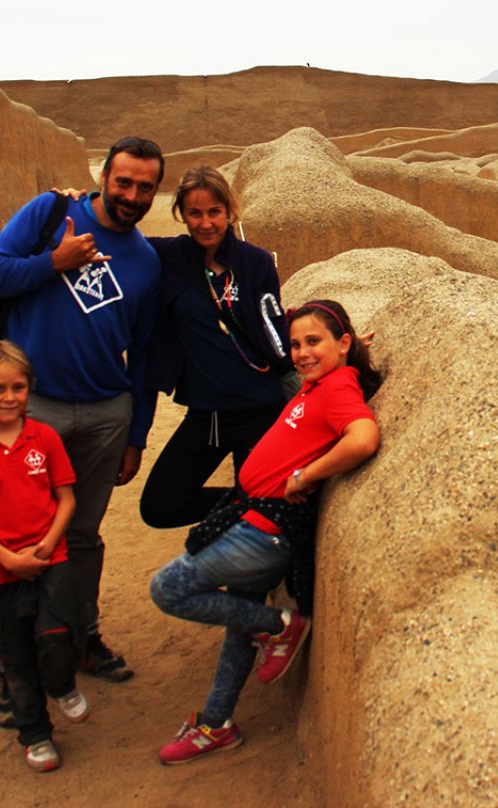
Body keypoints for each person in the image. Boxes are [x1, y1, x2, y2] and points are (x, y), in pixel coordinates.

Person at [148, 300, 382, 765]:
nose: (301, 353)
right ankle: (217, 723)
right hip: (254, 519)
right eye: (295, 344)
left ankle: (280, 627)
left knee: (168, 588)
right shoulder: (320, 382)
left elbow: (363, 438)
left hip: (264, 532)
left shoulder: (336, 389)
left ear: (342, 343)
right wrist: (345, 351)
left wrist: (306, 475)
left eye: (313, 341)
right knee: (240, 622)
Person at [0, 136, 165, 686]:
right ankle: (19, 666)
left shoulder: (146, 261)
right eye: (123, 181)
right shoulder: (51, 212)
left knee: (81, 536)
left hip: (106, 413)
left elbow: (144, 355)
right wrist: (53, 262)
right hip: (34, 412)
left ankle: (81, 637)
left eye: (144, 187)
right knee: (20, 536)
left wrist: (137, 434)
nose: (131, 195)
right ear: (103, 175)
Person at [0, 340, 91, 772]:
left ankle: (63, 684)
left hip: (51, 558)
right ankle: (35, 734)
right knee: (16, 657)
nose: (9, 397)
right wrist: (9, 560)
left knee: (58, 637)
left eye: (18, 387)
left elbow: (65, 498)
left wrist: (49, 543)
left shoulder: (44, 438)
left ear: (29, 389)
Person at [139, 166, 293, 530]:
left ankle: (250, 516)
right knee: (161, 505)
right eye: (195, 213)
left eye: (214, 212)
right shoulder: (171, 256)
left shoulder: (254, 262)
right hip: (207, 415)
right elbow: (115, 238)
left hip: (259, 410)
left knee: (266, 518)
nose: (205, 223)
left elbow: (274, 324)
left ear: (229, 211)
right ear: (182, 214)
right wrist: (76, 204)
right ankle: (242, 503)